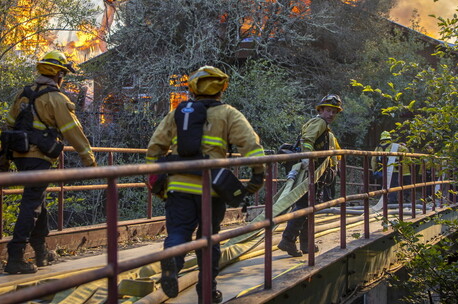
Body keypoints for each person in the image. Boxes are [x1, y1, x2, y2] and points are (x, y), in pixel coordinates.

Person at [145, 66, 266, 304]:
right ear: (222, 88)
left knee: (179, 232)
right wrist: (257, 176)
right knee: (209, 238)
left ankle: (172, 263)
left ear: (192, 89)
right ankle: (207, 292)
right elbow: (250, 145)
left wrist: (154, 182)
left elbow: (155, 147)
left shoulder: (177, 113)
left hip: (178, 186)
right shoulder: (229, 114)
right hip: (212, 189)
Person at [0, 50, 97, 274]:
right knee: (31, 204)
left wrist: (4, 160)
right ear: (58, 75)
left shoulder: (23, 94)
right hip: (38, 159)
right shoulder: (56, 99)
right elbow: (73, 131)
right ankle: (15, 257)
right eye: (62, 74)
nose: (63, 78)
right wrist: (89, 160)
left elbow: (8, 128)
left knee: (38, 200)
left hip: (19, 156)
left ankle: (41, 252)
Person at [278, 94, 343, 257]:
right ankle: (288, 239)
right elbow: (307, 140)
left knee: (308, 207)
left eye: (334, 112)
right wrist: (308, 158)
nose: (331, 114)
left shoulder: (327, 131)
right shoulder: (319, 122)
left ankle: (306, 243)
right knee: (304, 205)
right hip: (308, 171)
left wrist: (336, 166)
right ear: (320, 110)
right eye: (328, 110)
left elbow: (337, 151)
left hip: (315, 173)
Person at [371, 131, 410, 204]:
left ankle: (384, 200)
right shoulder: (395, 146)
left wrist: (374, 170)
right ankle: (392, 200)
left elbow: (373, 160)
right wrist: (403, 146)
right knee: (393, 185)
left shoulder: (378, 147)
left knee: (384, 185)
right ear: (389, 138)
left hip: (382, 170)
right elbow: (406, 151)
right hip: (393, 169)